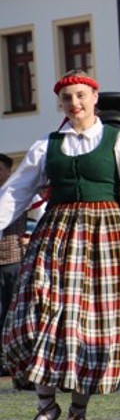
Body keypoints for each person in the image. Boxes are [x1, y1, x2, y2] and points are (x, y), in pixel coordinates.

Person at [0, 70, 120, 420]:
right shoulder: (46, 146)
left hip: (104, 239)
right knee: (33, 315)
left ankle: (78, 413)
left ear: (94, 99)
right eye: (67, 98)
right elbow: (13, 196)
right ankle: (47, 404)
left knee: (89, 329)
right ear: (61, 105)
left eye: (81, 96)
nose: (75, 104)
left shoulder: (118, 141)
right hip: (56, 236)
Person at [0, 153, 28, 378]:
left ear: (9, 171)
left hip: (13, 259)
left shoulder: (17, 193)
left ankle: (14, 357)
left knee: (13, 310)